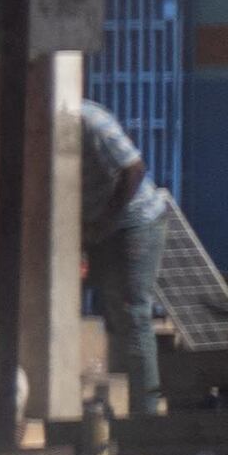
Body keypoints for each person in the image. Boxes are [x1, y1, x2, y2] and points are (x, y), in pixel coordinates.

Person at [73, 97, 177, 414]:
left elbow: (133, 168)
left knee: (134, 314)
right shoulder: (45, 128)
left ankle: (145, 410)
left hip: (136, 223)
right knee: (114, 311)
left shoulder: (89, 121)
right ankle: (128, 401)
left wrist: (106, 219)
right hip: (101, 230)